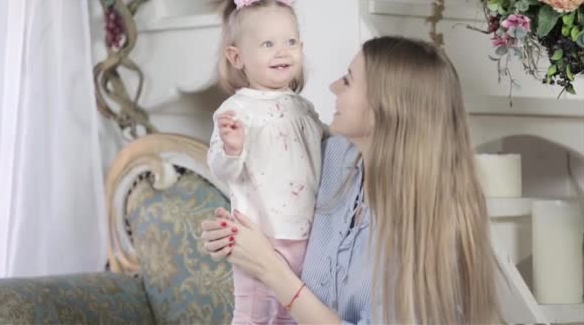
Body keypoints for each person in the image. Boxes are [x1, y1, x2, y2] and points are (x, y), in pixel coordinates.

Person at [202, 35, 501, 324]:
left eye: (347, 80)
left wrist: (270, 269)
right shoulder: (333, 158)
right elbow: (272, 193)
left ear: (384, 107)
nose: (333, 87)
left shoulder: (434, 226)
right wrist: (232, 234)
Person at [207, 0, 325, 324]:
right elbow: (220, 168)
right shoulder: (237, 111)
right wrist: (232, 148)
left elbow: (324, 153)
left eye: (290, 42)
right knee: (254, 313)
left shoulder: (303, 108)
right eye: (267, 44)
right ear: (236, 57)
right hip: (260, 234)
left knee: (295, 310)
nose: (282, 52)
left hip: (308, 232)